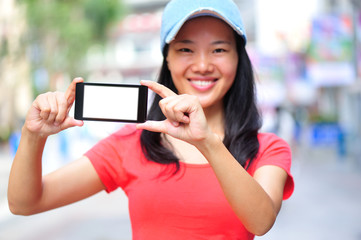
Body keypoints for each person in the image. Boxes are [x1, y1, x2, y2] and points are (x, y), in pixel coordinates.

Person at [8, 0, 294, 239]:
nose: (203, 65)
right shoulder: (131, 144)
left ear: (238, 59)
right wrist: (34, 135)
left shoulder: (268, 148)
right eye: (185, 49)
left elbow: (261, 221)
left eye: (219, 49)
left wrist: (207, 143)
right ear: (166, 60)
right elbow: (24, 203)